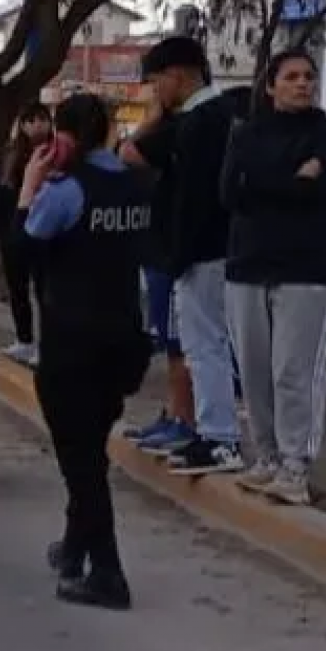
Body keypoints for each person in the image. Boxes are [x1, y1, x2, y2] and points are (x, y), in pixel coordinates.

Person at [21, 92, 156, 610]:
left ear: (65, 137)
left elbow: (26, 246)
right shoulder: (136, 185)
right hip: (123, 339)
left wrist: (29, 189)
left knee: (81, 464)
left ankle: (109, 574)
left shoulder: (68, 190)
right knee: (89, 449)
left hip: (72, 344)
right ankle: (75, 548)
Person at [219, 51, 326, 506]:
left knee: (294, 371)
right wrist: (291, 180)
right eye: (291, 77)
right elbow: (231, 190)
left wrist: (267, 183)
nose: (303, 84)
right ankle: (267, 455)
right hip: (248, 264)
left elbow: (319, 189)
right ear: (271, 85)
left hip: (305, 268)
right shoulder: (246, 133)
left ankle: (296, 464)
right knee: (254, 371)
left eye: (309, 76)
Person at [122, 35, 248, 476]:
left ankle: (220, 438)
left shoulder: (202, 122)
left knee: (205, 344)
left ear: (176, 76)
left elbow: (195, 199)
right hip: (208, 251)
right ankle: (210, 432)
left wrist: (179, 254)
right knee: (199, 344)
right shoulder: (211, 117)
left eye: (157, 82)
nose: (155, 92)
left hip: (203, 253)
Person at [121, 111, 198, 457]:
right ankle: (174, 413)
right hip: (156, 257)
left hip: (170, 258)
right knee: (170, 343)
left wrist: (155, 116)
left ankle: (185, 420)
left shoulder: (172, 155)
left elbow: (126, 151)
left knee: (180, 344)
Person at [0, 101, 54, 364]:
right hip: (12, 232)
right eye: (31, 120)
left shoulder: (54, 152)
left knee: (44, 291)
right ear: (22, 125)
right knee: (17, 288)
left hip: (42, 232)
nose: (37, 125)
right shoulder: (10, 155)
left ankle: (45, 345)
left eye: (42, 119)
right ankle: (24, 340)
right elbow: (0, 192)